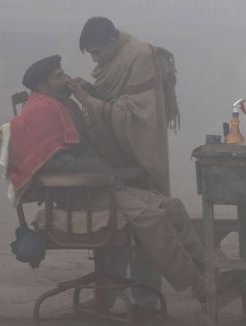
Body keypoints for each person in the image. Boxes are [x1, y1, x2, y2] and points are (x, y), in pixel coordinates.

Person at [8, 55, 240, 316]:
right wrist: (101, 172)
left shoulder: (63, 105)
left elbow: (89, 140)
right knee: (153, 217)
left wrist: (89, 96)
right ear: (42, 86)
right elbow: (54, 164)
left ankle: (213, 272)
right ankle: (201, 288)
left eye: (63, 73)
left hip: (100, 187)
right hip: (78, 195)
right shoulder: (41, 111)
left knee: (171, 206)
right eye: (58, 76)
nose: (66, 79)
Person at [69, 17, 180, 311]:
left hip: (141, 152)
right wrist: (93, 92)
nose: (95, 59)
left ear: (112, 42)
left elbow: (134, 114)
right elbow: (115, 100)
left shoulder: (140, 55)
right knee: (112, 223)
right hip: (117, 157)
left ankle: (145, 298)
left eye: (97, 53)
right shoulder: (118, 59)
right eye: (90, 55)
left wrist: (90, 102)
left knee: (149, 227)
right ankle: (107, 292)